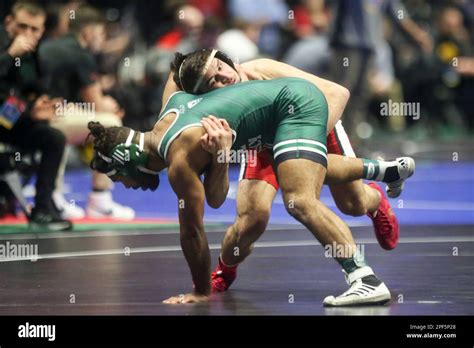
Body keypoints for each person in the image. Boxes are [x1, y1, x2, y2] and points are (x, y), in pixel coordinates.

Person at [87, 77, 414, 306]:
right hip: (275, 119)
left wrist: (201, 292)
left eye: (120, 178)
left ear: (124, 159)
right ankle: (384, 170)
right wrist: (219, 156)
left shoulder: (178, 157)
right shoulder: (170, 111)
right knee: (285, 186)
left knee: (299, 199)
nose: (127, 185)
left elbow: (193, 232)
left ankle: (364, 278)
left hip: (290, 106)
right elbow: (216, 198)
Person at [161, 49, 406, 292]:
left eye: (221, 67)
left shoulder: (262, 70)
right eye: (213, 81)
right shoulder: (210, 122)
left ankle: (374, 199)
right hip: (261, 144)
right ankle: (224, 270)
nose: (225, 77)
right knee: (252, 219)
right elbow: (215, 199)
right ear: (203, 96)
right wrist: (221, 156)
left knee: (353, 204)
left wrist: (300, 148)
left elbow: (337, 93)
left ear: (226, 60)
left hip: (314, 123)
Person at [38, 4, 134, 219]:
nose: (102, 40)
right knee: (109, 123)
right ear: (88, 33)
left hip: (35, 114)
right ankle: (100, 200)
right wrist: (109, 105)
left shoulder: (53, 45)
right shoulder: (80, 54)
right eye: (101, 34)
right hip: (47, 118)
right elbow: (98, 105)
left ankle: (54, 196)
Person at [0, 1, 71, 231]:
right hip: (3, 118)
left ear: (42, 30)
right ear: (9, 22)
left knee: (54, 137)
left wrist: (43, 103)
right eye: (23, 26)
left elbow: (34, 89)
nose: (28, 34)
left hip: (11, 120)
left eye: (35, 29)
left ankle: (42, 209)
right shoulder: (7, 47)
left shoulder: (35, 53)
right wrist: (10, 54)